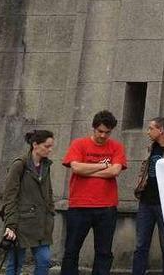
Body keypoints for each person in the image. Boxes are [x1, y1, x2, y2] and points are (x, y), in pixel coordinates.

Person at [61, 111, 128, 275]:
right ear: (93, 128)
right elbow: (76, 167)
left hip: (106, 207)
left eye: (107, 132)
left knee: (104, 252)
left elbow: (115, 171)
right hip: (79, 206)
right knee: (71, 250)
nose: (103, 135)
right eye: (100, 131)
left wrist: (87, 170)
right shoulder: (79, 144)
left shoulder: (116, 147)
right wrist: (104, 166)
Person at [132, 118, 164, 275]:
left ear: (161, 130)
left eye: (151, 128)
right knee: (141, 245)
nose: (148, 132)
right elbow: (144, 170)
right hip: (146, 202)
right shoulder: (150, 147)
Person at [1, 130, 55, 275]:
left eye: (51, 146)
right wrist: (10, 225)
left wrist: (50, 210)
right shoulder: (19, 165)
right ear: (35, 144)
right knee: (15, 264)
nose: (50, 149)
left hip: (41, 224)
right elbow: (9, 196)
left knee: (44, 261)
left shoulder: (46, 166)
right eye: (47, 146)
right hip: (21, 223)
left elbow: (48, 191)